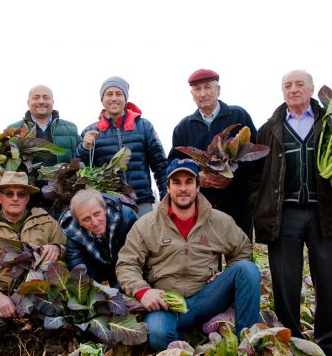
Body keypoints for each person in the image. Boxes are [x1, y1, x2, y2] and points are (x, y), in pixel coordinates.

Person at [250, 69, 332, 356]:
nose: (293, 89)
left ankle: (331, 343)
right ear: (282, 92)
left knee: (328, 282)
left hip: (324, 213)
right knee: (285, 284)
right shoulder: (269, 129)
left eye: (299, 84)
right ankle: (290, 342)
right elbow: (256, 177)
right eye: (288, 85)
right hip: (284, 215)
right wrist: (260, 207)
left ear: (311, 89)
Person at [116, 159, 261, 351]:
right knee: (158, 334)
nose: (183, 188)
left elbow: (242, 249)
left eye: (188, 182)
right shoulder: (146, 225)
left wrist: (228, 272)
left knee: (248, 270)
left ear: (198, 186)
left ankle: (247, 345)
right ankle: (187, 342)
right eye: (176, 182)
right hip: (168, 303)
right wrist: (143, 291)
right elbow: (126, 264)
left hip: (207, 298)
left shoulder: (220, 221)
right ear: (167, 187)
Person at [0, 171, 66, 340]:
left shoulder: (47, 221)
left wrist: (57, 248)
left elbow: (66, 249)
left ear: (27, 198)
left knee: (61, 317)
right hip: (0, 289)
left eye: (21, 194)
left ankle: (30, 324)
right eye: (9, 194)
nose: (15, 198)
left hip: (38, 289)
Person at [168, 69, 258, 240]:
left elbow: (255, 156)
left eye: (207, 87)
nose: (203, 94)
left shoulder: (238, 116)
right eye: (197, 89)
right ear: (192, 94)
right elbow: (173, 163)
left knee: (240, 255)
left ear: (218, 90)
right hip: (202, 206)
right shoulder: (183, 127)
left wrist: (232, 176)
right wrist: (196, 176)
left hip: (238, 202)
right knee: (205, 259)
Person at [77, 76, 168, 216]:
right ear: (102, 100)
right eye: (109, 94)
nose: (114, 98)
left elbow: (160, 165)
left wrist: (166, 197)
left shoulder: (144, 126)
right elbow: (80, 167)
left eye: (119, 94)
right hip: (108, 203)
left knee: (144, 237)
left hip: (142, 201)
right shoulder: (90, 132)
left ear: (125, 99)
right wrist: (84, 147)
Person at [8, 84, 80, 212]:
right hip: (27, 203)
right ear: (28, 102)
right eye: (36, 97)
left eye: (46, 98)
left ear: (52, 102)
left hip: (63, 202)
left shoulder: (70, 129)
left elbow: (80, 158)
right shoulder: (14, 130)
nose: (41, 101)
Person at [59, 189, 138, 288]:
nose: (95, 222)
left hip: (129, 274)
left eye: (97, 214)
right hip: (100, 278)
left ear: (105, 209)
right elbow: (79, 270)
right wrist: (99, 292)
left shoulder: (127, 218)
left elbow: (136, 258)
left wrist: (118, 288)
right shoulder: (73, 233)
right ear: (79, 222)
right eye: (86, 219)